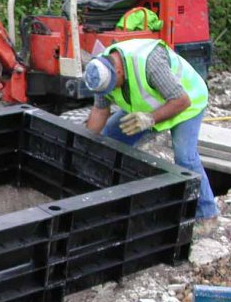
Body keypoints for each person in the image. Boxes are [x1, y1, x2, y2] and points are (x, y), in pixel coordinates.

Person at [83, 39, 219, 231]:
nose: (111, 91)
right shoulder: (101, 71)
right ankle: (105, 191)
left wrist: (150, 119)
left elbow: (182, 101)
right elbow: (100, 111)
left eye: (113, 86)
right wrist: (86, 144)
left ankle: (207, 215)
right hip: (147, 106)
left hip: (187, 102)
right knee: (110, 139)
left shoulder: (149, 63)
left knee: (185, 157)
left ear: (119, 72)